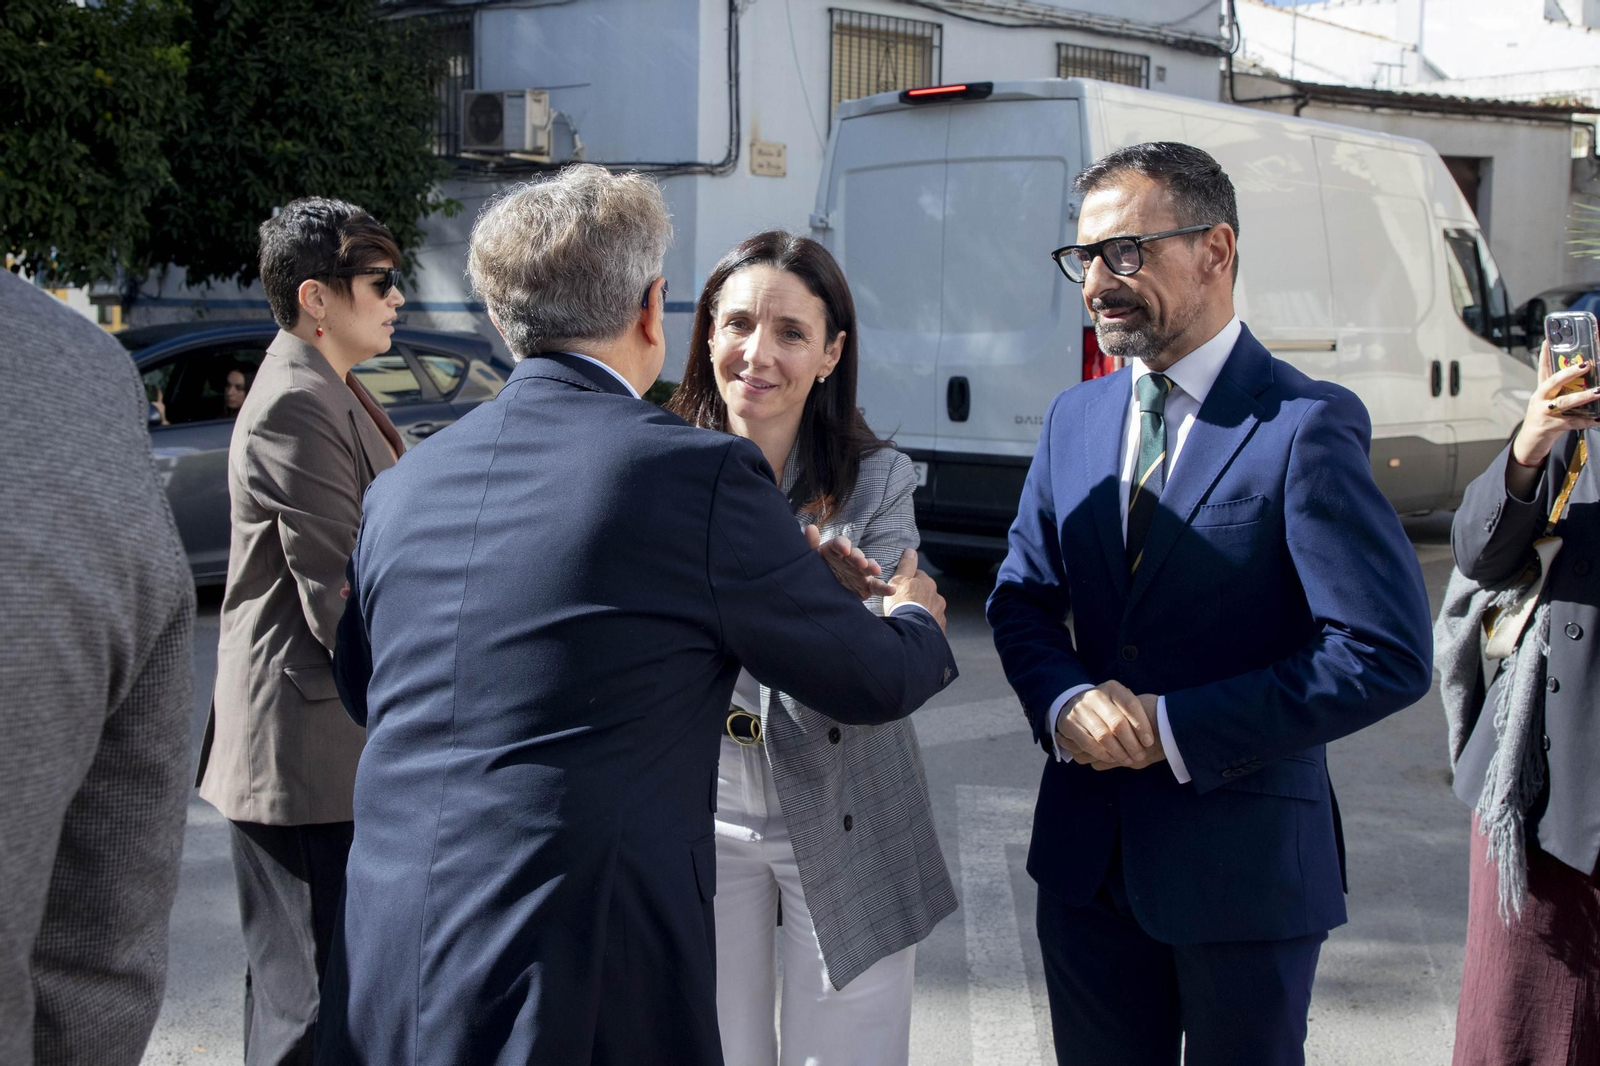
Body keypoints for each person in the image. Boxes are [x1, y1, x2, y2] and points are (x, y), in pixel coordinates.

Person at [317, 165, 957, 1066]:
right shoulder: (692, 474)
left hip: (391, 952)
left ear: (502, 322)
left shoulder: (407, 481)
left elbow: (364, 687)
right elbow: (874, 675)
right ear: (658, 311)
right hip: (579, 969)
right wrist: (914, 616)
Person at [986, 141, 1433, 1066]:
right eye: (1085, 259)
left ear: (1216, 251)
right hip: (1085, 866)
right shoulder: (1076, 419)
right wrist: (1067, 700)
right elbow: (1020, 599)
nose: (1099, 283)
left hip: (1245, 875)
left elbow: (1382, 651)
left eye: (1127, 252)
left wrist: (1177, 726)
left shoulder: (1304, 425)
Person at [667, 230, 956, 1065]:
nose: (758, 354)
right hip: (699, 808)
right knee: (715, 1048)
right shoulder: (656, 464)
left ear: (831, 353)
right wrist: (790, 582)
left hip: (845, 797)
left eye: (791, 333)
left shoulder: (879, 477)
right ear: (707, 335)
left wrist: (843, 604)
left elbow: (902, 638)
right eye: (738, 325)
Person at [194, 197, 407, 1066]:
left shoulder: (326, 383)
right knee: (306, 1011)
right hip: (304, 754)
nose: (397, 299)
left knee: (310, 997)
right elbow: (341, 594)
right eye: (380, 283)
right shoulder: (294, 399)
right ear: (318, 298)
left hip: (321, 747)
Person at [0, 270, 195, 1065]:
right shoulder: (69, 367)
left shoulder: (72, 366)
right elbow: (98, 940)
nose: (394, 297)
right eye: (378, 280)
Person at [1439, 339, 1600, 1065]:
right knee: (1523, 1035)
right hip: (1542, 800)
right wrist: (1533, 441)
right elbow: (1481, 555)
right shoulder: (1583, 432)